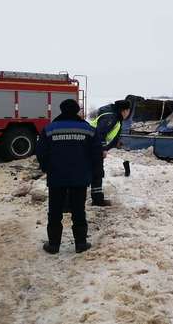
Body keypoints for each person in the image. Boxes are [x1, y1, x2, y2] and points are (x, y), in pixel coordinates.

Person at [36, 99, 102, 254]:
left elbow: (40, 152)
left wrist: (47, 168)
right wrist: (93, 173)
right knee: (79, 211)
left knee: (55, 211)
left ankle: (53, 245)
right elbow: (96, 154)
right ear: (77, 111)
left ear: (61, 110)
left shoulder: (50, 129)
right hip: (80, 177)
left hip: (56, 177)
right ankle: (80, 244)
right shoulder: (89, 129)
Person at [88, 99, 132, 206]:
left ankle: (95, 198)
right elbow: (100, 133)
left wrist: (112, 144)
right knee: (97, 173)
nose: (128, 114)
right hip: (92, 146)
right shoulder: (111, 117)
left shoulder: (114, 116)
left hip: (92, 145)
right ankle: (97, 200)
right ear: (124, 111)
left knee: (95, 172)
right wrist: (103, 148)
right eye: (128, 111)